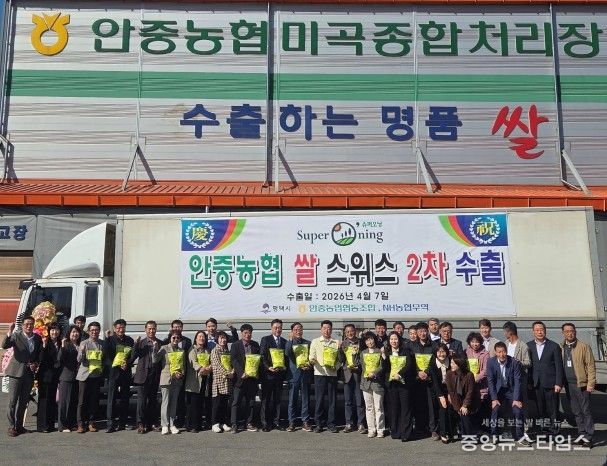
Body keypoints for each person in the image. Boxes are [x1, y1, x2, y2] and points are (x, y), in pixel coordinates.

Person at [2, 317, 42, 437]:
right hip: (16, 372)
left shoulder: (37, 338)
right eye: (26, 324)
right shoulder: (16, 335)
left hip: (29, 374)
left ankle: (19, 426)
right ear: (23, 325)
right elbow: (5, 345)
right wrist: (9, 332)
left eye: (31, 324)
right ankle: (11, 427)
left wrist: (35, 363)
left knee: (23, 401)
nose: (29, 326)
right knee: (13, 401)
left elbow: (38, 354)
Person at [486, 342, 529, 446]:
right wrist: (494, 399)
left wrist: (516, 399)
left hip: (511, 390)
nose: (501, 354)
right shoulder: (491, 362)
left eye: (503, 351)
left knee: (517, 410)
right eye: (499, 352)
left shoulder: (514, 362)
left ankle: (520, 436)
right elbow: (490, 381)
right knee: (495, 410)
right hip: (498, 391)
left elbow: (518, 381)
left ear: (506, 351)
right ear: (495, 352)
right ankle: (494, 435)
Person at [561, 323, 595, 448]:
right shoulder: (561, 347)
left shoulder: (584, 347)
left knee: (585, 411)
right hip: (569, 385)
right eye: (567, 331)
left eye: (572, 331)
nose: (570, 333)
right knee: (576, 411)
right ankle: (581, 435)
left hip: (582, 384)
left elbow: (591, 366)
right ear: (563, 333)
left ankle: (589, 437)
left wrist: (591, 383)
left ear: (575, 332)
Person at [527, 321, 563, 434]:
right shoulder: (529, 346)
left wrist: (558, 383)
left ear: (545, 331)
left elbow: (559, 366)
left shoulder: (554, 346)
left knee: (553, 410)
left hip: (551, 384)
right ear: (533, 332)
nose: (539, 332)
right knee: (540, 409)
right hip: (536, 383)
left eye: (541, 329)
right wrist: (529, 382)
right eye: (537, 330)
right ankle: (544, 430)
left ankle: (555, 432)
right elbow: (529, 367)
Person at [309, 319, 341, 433]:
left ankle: (331, 424)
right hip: (319, 374)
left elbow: (340, 359)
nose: (327, 330)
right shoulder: (315, 341)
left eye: (329, 328)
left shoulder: (336, 343)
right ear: (321, 329)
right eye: (324, 328)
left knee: (332, 400)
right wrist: (312, 360)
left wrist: (335, 367)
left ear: (331, 330)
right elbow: (311, 356)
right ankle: (318, 424)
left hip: (332, 374)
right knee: (319, 400)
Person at [130, 320, 162, 434]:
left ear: (156, 329)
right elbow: (133, 356)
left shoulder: (160, 343)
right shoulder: (141, 343)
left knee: (153, 400)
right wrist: (135, 344)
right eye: (149, 328)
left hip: (155, 374)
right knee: (141, 401)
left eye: (153, 328)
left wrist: (157, 348)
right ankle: (140, 424)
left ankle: (152, 423)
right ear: (145, 330)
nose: (151, 331)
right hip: (143, 374)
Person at [104, 319, 135, 432]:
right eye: (118, 328)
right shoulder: (109, 340)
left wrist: (128, 363)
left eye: (122, 328)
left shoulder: (130, 340)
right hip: (113, 373)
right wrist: (115, 364)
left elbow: (133, 355)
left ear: (125, 328)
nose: (120, 330)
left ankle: (123, 422)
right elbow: (106, 356)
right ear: (114, 328)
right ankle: (110, 424)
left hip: (126, 372)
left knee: (125, 398)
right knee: (111, 399)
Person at [230, 324, 261, 433]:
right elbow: (234, 360)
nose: (247, 335)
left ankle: (249, 423)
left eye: (249, 333)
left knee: (251, 402)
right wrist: (240, 373)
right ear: (241, 333)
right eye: (245, 333)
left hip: (252, 380)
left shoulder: (255, 345)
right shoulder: (235, 345)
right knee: (236, 402)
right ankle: (234, 424)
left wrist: (256, 374)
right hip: (240, 379)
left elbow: (258, 361)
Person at [385, 331, 415, 442]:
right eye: (391, 339)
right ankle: (396, 432)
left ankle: (406, 433)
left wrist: (400, 374)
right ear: (389, 341)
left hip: (404, 383)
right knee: (394, 408)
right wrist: (384, 357)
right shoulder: (387, 352)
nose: (394, 341)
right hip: (392, 384)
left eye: (396, 339)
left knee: (406, 408)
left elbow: (409, 365)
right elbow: (385, 368)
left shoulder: (405, 351)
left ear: (399, 340)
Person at [155, 331, 185, 434]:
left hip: (177, 379)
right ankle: (164, 425)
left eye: (178, 338)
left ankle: (172, 424)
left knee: (174, 403)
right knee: (165, 402)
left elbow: (183, 365)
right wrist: (155, 349)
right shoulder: (164, 348)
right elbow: (155, 360)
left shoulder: (181, 350)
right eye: (173, 337)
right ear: (170, 338)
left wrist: (181, 373)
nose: (176, 339)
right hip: (166, 378)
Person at [163, 319, 192, 428]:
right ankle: (167, 421)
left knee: (181, 398)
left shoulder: (187, 341)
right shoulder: (167, 340)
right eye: (175, 327)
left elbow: (188, 358)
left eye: (179, 326)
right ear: (172, 328)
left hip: (182, 373)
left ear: (182, 328)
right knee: (168, 399)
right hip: (169, 374)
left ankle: (180, 420)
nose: (177, 328)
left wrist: (183, 372)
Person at [76, 321, 104, 433]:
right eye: (92, 330)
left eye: (96, 330)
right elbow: (79, 359)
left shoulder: (102, 343)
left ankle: (91, 423)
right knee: (82, 401)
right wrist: (82, 351)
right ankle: (80, 424)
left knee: (93, 401)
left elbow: (104, 359)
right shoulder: (84, 343)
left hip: (96, 375)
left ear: (99, 331)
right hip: (84, 375)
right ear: (88, 331)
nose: (94, 332)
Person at [284, 322, 313, 432]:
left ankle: (305, 421)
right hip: (293, 375)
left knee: (305, 399)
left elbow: (312, 357)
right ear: (292, 331)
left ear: (302, 330)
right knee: (292, 399)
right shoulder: (289, 343)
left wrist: (309, 364)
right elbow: (287, 353)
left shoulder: (308, 343)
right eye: (295, 329)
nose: (298, 331)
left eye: (300, 329)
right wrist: (291, 340)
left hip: (305, 374)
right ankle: (291, 422)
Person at [260, 319, 287, 431]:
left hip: (279, 376)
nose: (278, 330)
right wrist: (268, 367)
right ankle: (265, 423)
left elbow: (286, 358)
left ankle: (276, 422)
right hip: (268, 375)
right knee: (266, 400)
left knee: (277, 400)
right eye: (276, 327)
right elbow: (262, 355)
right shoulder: (265, 339)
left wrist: (284, 367)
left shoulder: (284, 341)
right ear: (271, 328)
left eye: (280, 327)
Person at [502, 321, 532, 425]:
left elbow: (528, 362)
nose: (504, 334)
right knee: (510, 404)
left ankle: (525, 426)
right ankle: (512, 426)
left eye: (504, 332)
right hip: (507, 380)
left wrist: (517, 363)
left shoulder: (523, 346)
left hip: (519, 379)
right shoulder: (505, 343)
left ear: (509, 332)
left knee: (521, 403)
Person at [412, 322, 438, 440]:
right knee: (419, 404)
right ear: (417, 333)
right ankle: (420, 428)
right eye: (420, 331)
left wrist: (427, 372)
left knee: (431, 405)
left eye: (424, 331)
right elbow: (410, 362)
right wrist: (418, 372)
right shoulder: (412, 345)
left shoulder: (434, 345)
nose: (422, 333)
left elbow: (435, 361)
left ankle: (433, 429)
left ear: (427, 331)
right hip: (417, 381)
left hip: (430, 380)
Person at [446, 355, 480, 437]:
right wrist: (458, 407)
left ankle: (469, 437)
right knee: (455, 412)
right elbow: (451, 392)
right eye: (451, 363)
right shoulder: (449, 374)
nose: (451, 365)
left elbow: (470, 392)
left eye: (454, 363)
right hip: (457, 399)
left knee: (465, 414)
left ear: (460, 364)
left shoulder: (469, 375)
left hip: (470, 401)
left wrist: (465, 405)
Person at [360, 332, 386, 438]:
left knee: (379, 407)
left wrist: (374, 373)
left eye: (371, 339)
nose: (369, 342)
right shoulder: (363, 352)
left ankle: (380, 429)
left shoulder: (380, 351)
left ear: (375, 340)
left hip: (377, 383)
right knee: (369, 407)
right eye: (367, 340)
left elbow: (382, 366)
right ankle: (371, 429)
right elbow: (362, 366)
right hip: (365, 383)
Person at [37, 322, 62, 432]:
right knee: (44, 401)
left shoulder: (61, 343)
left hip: (56, 376)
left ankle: (51, 425)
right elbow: (40, 358)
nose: (54, 332)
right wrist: (43, 346)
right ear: (49, 331)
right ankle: (42, 426)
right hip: (45, 376)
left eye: (56, 330)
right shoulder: (45, 341)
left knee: (52, 400)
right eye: (52, 330)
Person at [185, 330, 212, 433]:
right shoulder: (192, 349)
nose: (201, 338)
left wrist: (209, 368)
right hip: (194, 380)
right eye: (199, 336)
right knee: (193, 404)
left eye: (203, 337)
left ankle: (198, 425)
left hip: (204, 379)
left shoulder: (207, 350)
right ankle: (191, 426)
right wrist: (201, 368)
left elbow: (211, 361)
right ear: (196, 339)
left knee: (200, 403)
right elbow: (193, 361)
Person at [340, 323, 365, 434]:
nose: (350, 333)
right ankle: (349, 423)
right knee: (348, 401)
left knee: (360, 401)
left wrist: (359, 366)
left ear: (355, 331)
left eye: (352, 331)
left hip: (358, 374)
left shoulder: (361, 342)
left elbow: (365, 358)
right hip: (347, 375)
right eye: (348, 332)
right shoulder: (343, 344)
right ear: (345, 333)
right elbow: (341, 359)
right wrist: (339, 349)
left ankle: (361, 424)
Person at [427, 343, 453, 443]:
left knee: (450, 408)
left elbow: (453, 379)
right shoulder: (433, 363)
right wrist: (441, 397)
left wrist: (450, 393)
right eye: (439, 351)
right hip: (437, 389)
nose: (441, 354)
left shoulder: (451, 361)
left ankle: (451, 431)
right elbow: (435, 382)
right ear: (435, 353)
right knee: (443, 407)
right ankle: (443, 433)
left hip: (450, 388)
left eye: (443, 351)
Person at [57, 325, 81, 432]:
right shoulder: (66, 344)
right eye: (73, 332)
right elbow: (60, 359)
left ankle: (71, 424)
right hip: (66, 376)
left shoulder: (79, 345)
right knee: (64, 402)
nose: (75, 334)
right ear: (69, 333)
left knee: (73, 402)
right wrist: (62, 347)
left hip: (77, 377)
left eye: (77, 332)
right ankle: (62, 425)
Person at [210, 331, 234, 433]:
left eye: (224, 338)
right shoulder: (215, 351)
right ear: (217, 339)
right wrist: (228, 373)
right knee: (217, 403)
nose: (223, 340)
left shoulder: (227, 351)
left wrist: (232, 371)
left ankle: (223, 422)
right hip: (219, 380)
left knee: (224, 403)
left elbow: (231, 363)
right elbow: (217, 365)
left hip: (227, 381)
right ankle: (214, 423)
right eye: (220, 338)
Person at [465, 332, 490, 429]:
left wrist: (476, 378)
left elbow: (485, 370)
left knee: (480, 410)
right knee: (470, 409)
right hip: (469, 385)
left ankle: (481, 430)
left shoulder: (485, 354)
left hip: (481, 386)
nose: (475, 344)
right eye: (472, 342)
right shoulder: (466, 352)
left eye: (477, 342)